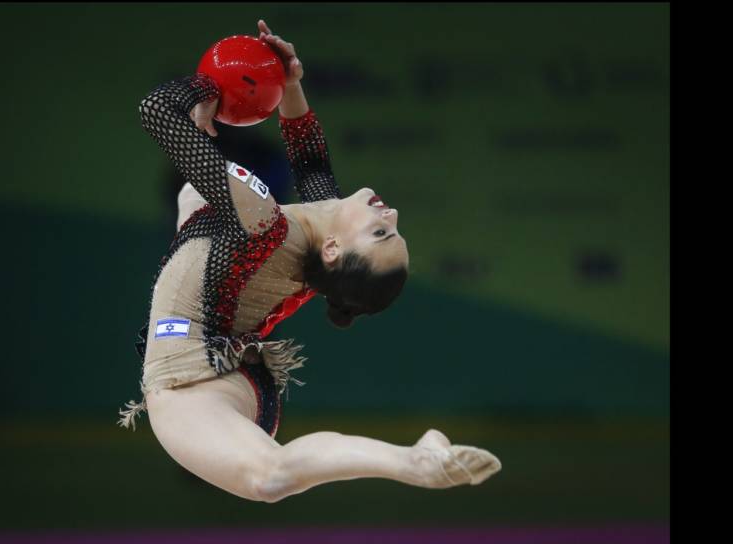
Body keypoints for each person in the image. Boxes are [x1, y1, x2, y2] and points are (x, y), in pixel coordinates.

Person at [119, 20, 501, 503]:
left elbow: (155, 109)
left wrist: (208, 86)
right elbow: (311, 160)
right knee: (197, 198)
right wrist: (291, 84)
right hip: (233, 363)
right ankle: (411, 460)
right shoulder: (317, 221)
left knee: (269, 478)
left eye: (382, 231)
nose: (393, 213)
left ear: (336, 252)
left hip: (192, 381)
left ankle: (412, 462)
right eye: (393, 228)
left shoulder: (260, 224)